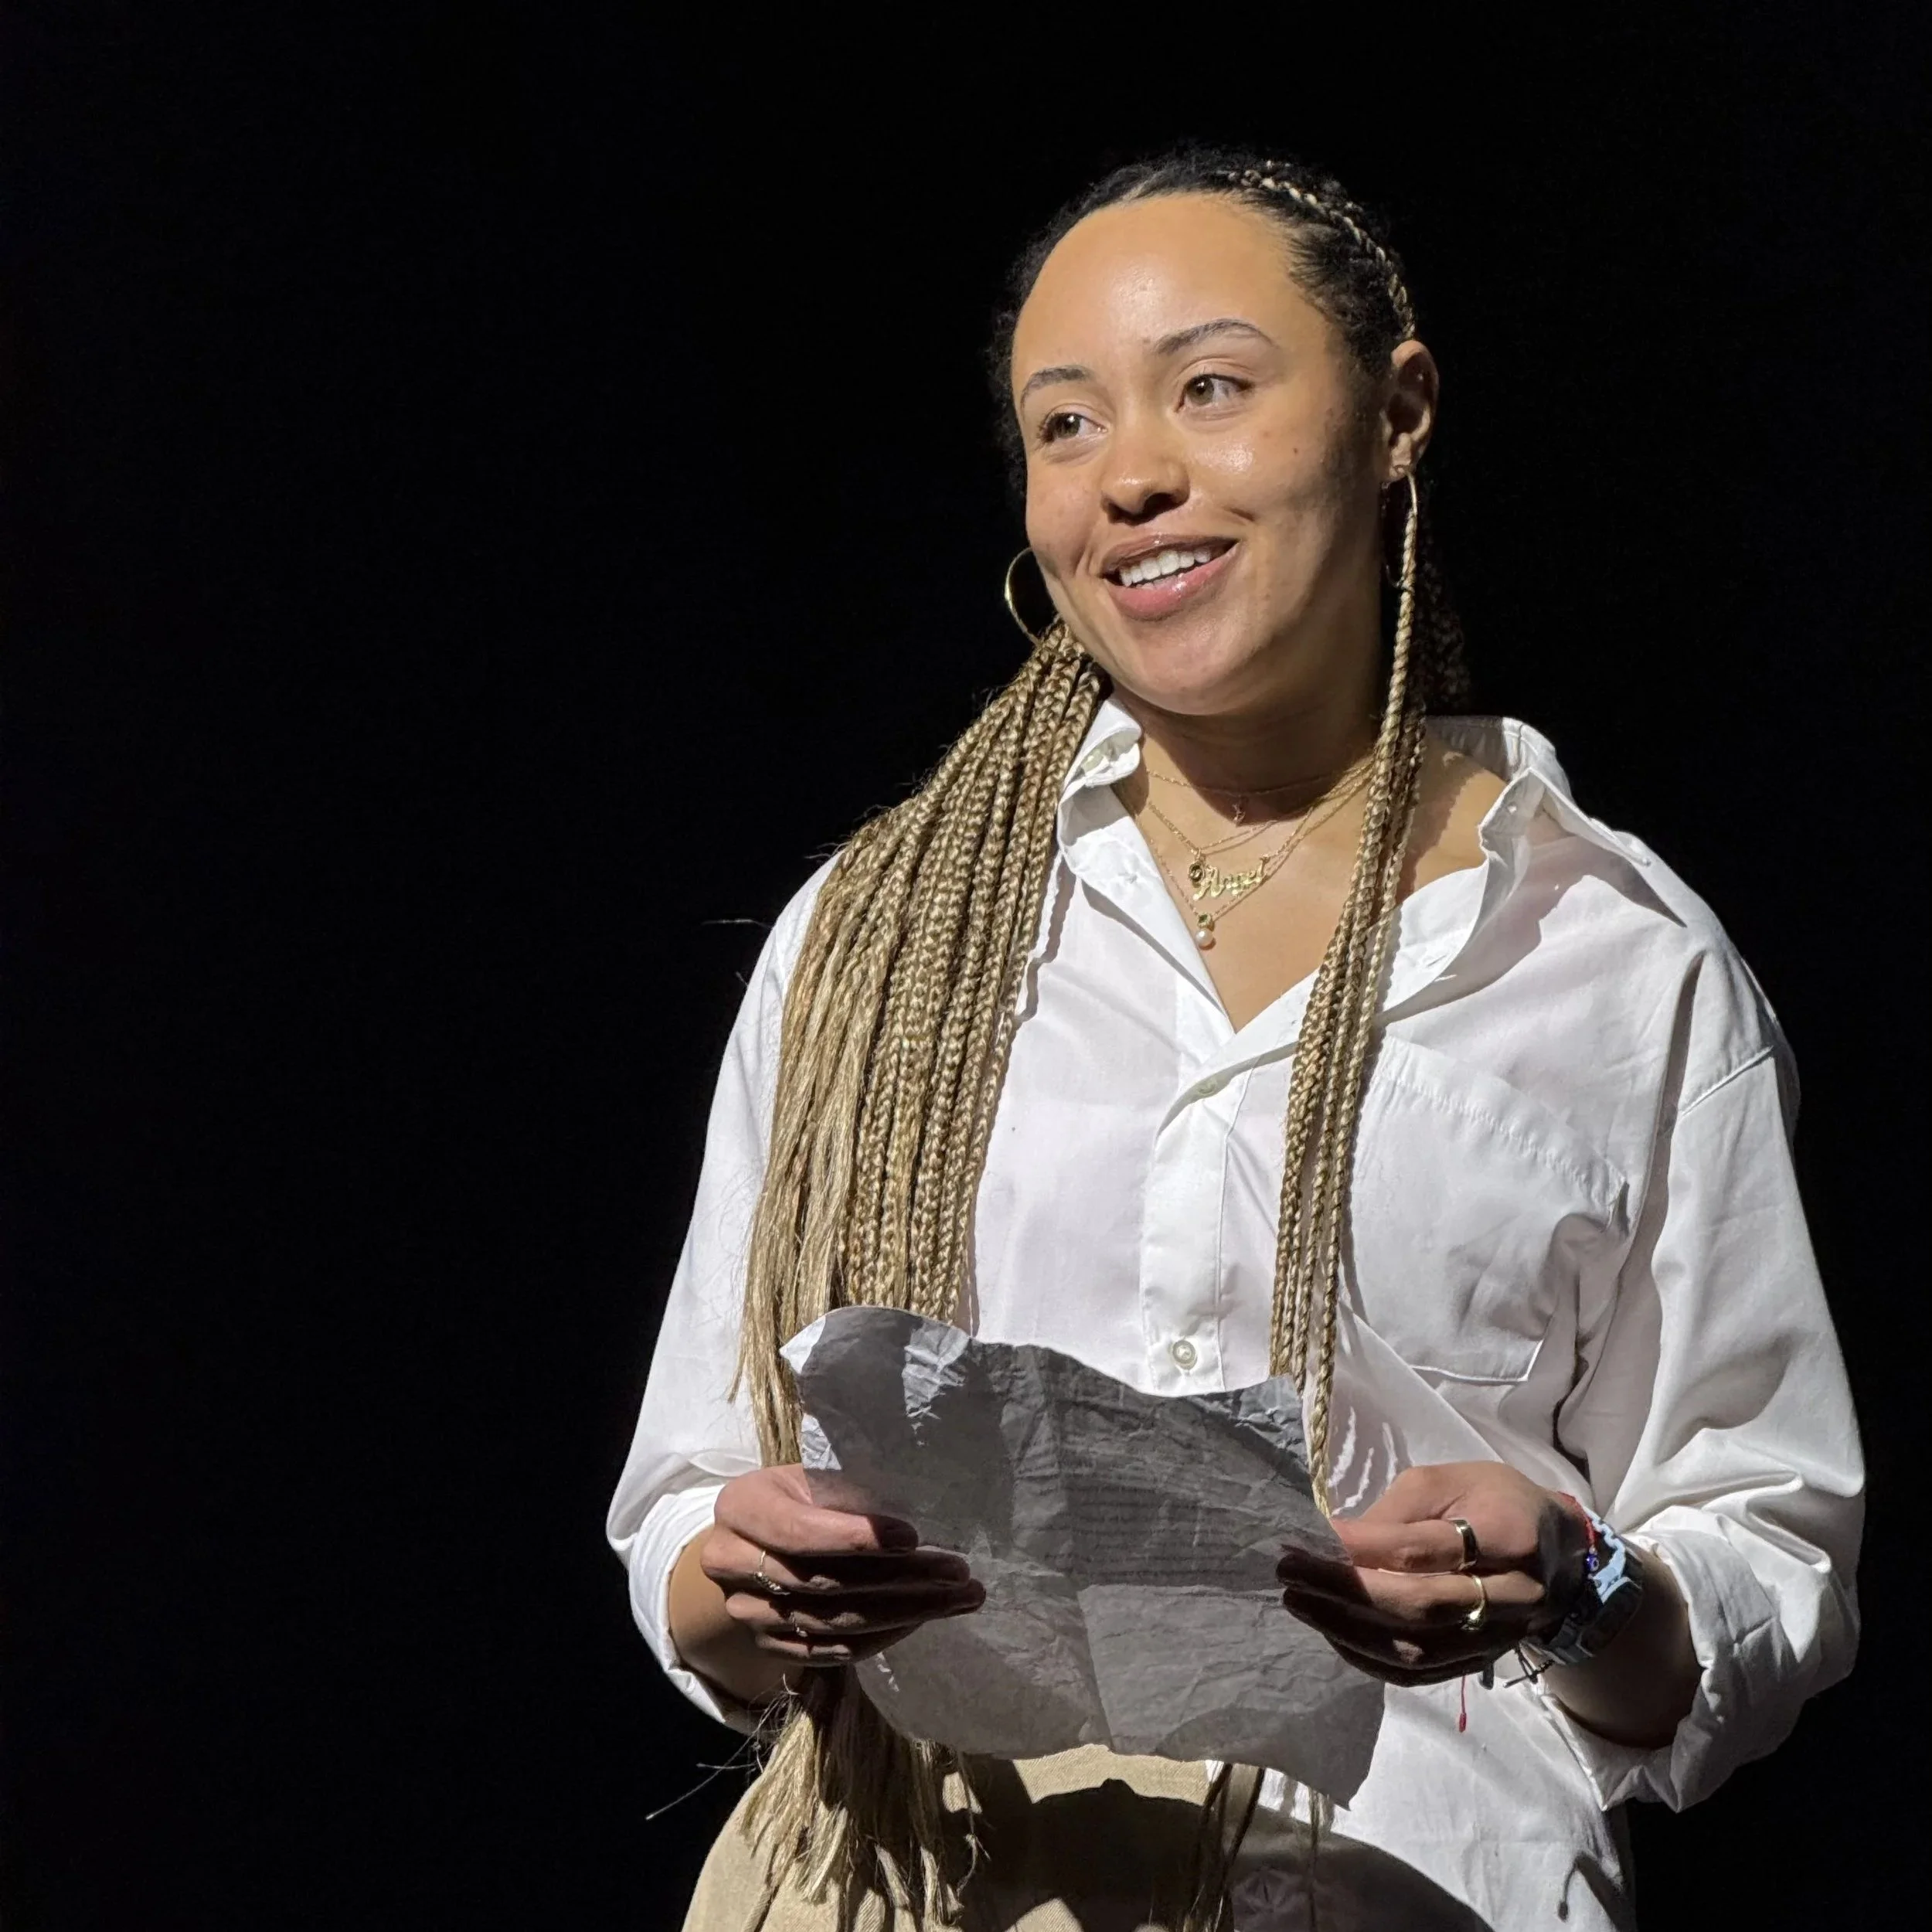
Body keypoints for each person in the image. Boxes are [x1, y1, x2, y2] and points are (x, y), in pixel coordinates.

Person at [607, 147, 1862, 1930]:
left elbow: (1767, 1539)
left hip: (1393, 1880)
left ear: (1394, 409)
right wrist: (732, 1573)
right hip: (916, 1879)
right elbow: (681, 1488)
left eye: (1209, 386)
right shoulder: (874, 933)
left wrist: (1577, 1582)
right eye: (1061, 425)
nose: (1129, 474)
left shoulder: (1611, 963)